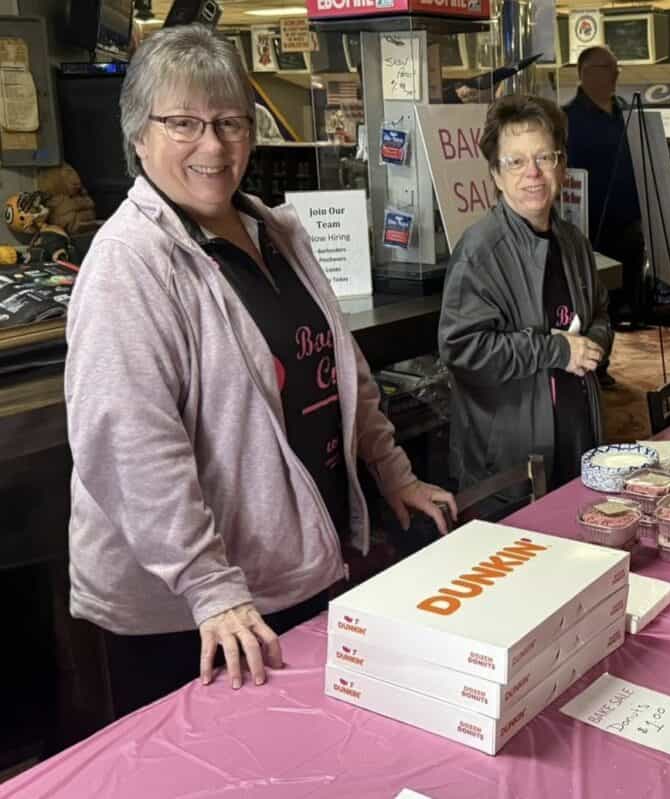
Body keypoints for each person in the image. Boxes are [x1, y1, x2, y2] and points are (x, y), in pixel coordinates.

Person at [65, 24, 455, 718]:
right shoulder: (128, 263)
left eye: (229, 123)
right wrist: (210, 584)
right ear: (138, 135)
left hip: (293, 572)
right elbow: (132, 448)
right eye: (184, 122)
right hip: (195, 617)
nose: (212, 146)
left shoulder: (279, 232)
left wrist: (394, 473)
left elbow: (343, 371)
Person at [438, 95, 612, 494]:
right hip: (512, 464)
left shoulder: (573, 242)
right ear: (496, 175)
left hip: (577, 437)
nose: (532, 173)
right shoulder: (480, 252)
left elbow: (600, 313)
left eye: (544, 158)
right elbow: (464, 351)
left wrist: (592, 346)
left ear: (562, 165)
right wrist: (556, 351)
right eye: (515, 162)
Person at [563, 45, 647, 387]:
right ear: (584, 73)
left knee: (620, 299)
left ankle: (604, 362)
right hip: (587, 225)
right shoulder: (567, 117)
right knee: (591, 298)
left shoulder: (625, 113)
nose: (614, 75)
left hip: (627, 221)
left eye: (616, 69)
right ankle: (592, 363)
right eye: (606, 68)